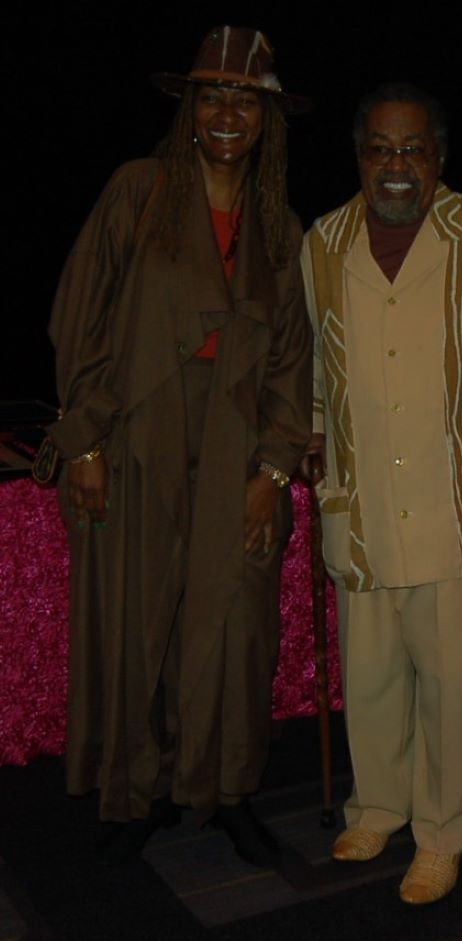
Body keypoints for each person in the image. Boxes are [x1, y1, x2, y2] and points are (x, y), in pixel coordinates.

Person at [47, 27, 312, 864]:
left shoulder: (281, 227)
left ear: (267, 117)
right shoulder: (140, 191)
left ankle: (224, 789)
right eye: (213, 96)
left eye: (247, 99)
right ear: (190, 109)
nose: (229, 112)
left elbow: (292, 360)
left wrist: (273, 468)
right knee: (136, 613)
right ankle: (136, 793)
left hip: (236, 444)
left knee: (236, 621)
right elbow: (81, 316)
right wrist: (84, 441)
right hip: (137, 432)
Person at [301, 83, 462, 904]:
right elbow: (319, 364)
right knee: (374, 668)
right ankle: (377, 805)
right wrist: (316, 435)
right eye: (380, 149)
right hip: (359, 495)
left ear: (441, 157)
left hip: (453, 497)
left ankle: (442, 831)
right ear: (358, 156)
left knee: (450, 682)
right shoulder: (324, 241)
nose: (396, 166)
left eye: (412, 149)